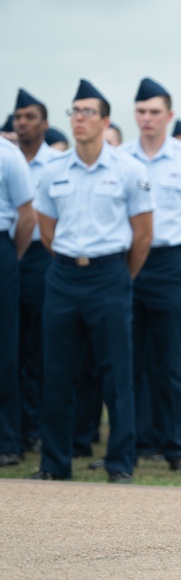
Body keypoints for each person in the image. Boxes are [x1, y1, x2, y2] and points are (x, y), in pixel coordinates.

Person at [29, 79, 153, 483]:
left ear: (105, 122)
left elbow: (143, 234)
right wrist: (71, 261)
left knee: (117, 373)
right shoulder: (53, 171)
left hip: (109, 274)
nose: (79, 119)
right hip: (64, 276)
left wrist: (118, 276)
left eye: (87, 113)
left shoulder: (130, 170)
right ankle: (54, 463)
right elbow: (46, 228)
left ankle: (120, 463)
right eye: (74, 112)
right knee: (58, 372)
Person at [121, 77, 181, 472]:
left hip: (171, 263)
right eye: (141, 111)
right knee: (129, 359)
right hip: (129, 264)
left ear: (170, 115)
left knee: (172, 360)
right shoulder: (121, 157)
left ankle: (179, 448)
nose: (147, 118)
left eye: (155, 112)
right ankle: (135, 444)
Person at [12, 88, 59, 455]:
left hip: (41, 257)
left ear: (44, 123)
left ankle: (39, 426)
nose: (22, 123)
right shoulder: (7, 156)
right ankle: (15, 427)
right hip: (11, 256)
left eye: (30, 117)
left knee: (40, 347)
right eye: (18, 117)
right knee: (11, 345)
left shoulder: (57, 163)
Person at [0, 134, 35, 466]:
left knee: (4, 348)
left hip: (2, 246)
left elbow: (27, 216)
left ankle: (7, 439)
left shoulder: (8, 155)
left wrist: (12, 256)